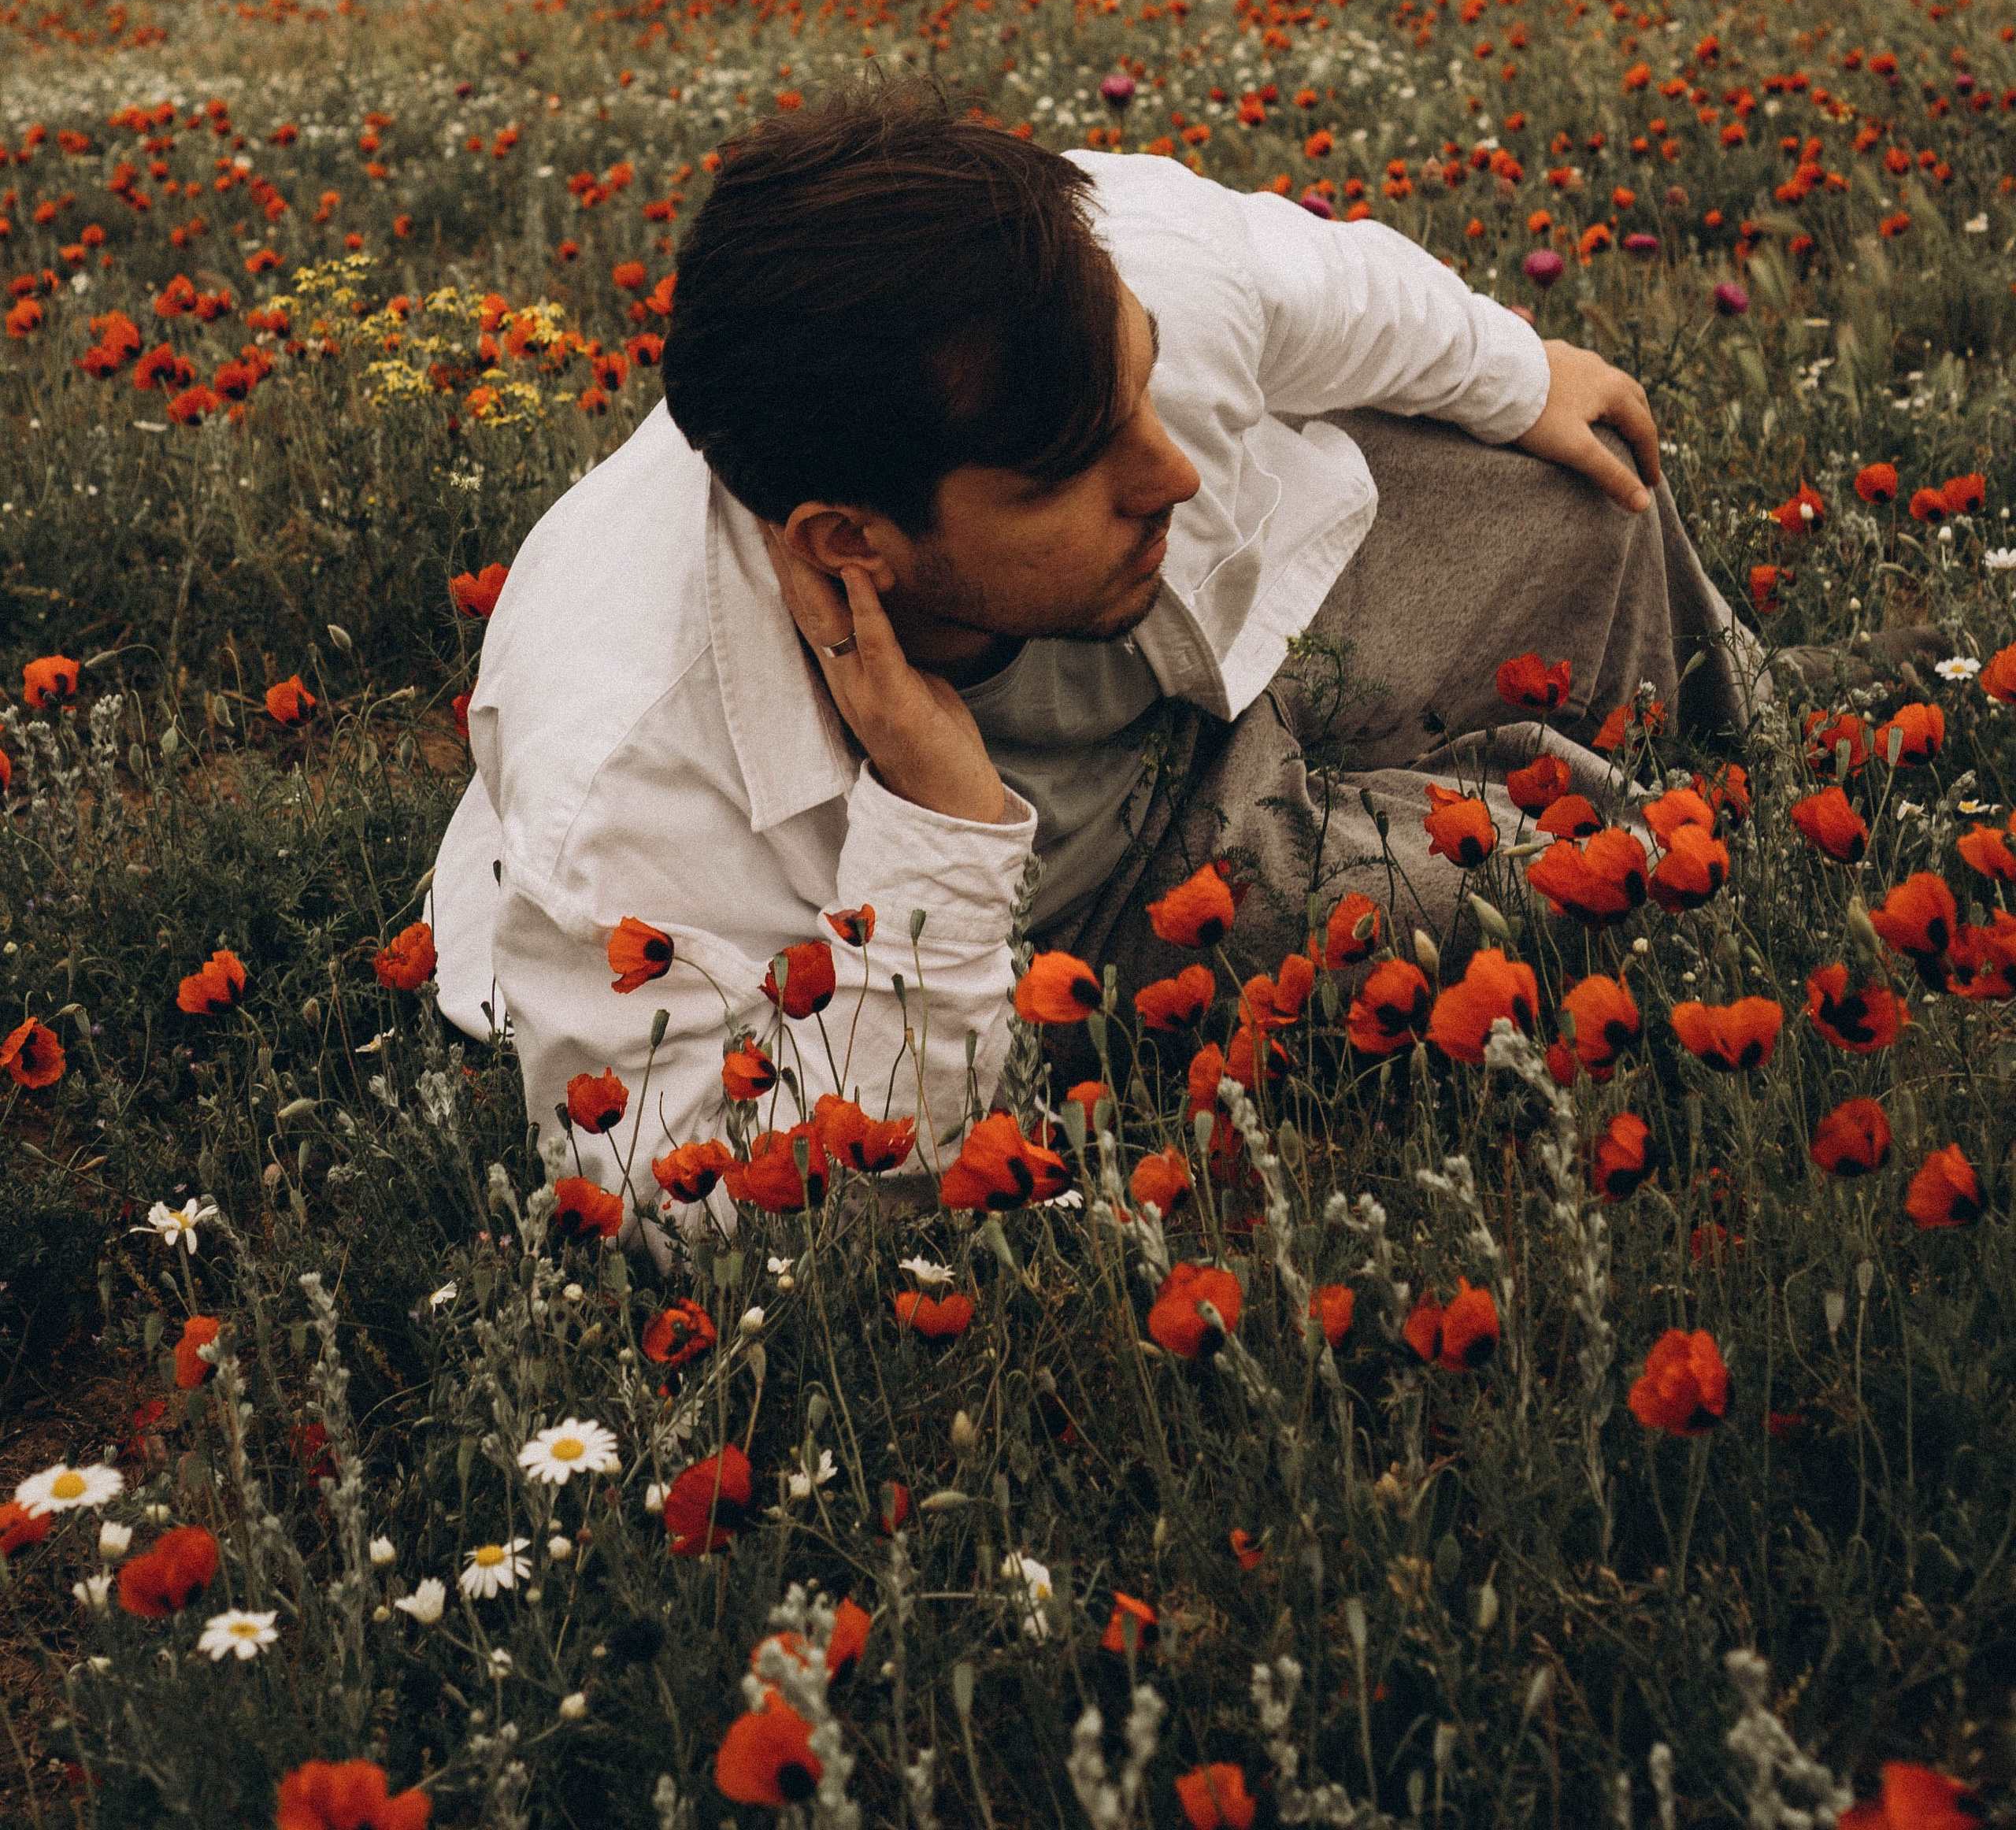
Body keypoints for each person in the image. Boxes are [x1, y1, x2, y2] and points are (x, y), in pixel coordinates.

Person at [430, 83, 1751, 1230]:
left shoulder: (1108, 278)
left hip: (1225, 661)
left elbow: (1308, 282)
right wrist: (936, 823)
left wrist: (1516, 372)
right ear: (851, 539)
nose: (1170, 469)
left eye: (1149, 385)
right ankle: (1599, 792)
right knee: (1583, 889)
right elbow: (711, 1205)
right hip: (1088, 894)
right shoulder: (624, 781)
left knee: (1586, 499)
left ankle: (1742, 721)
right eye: (1078, 463)